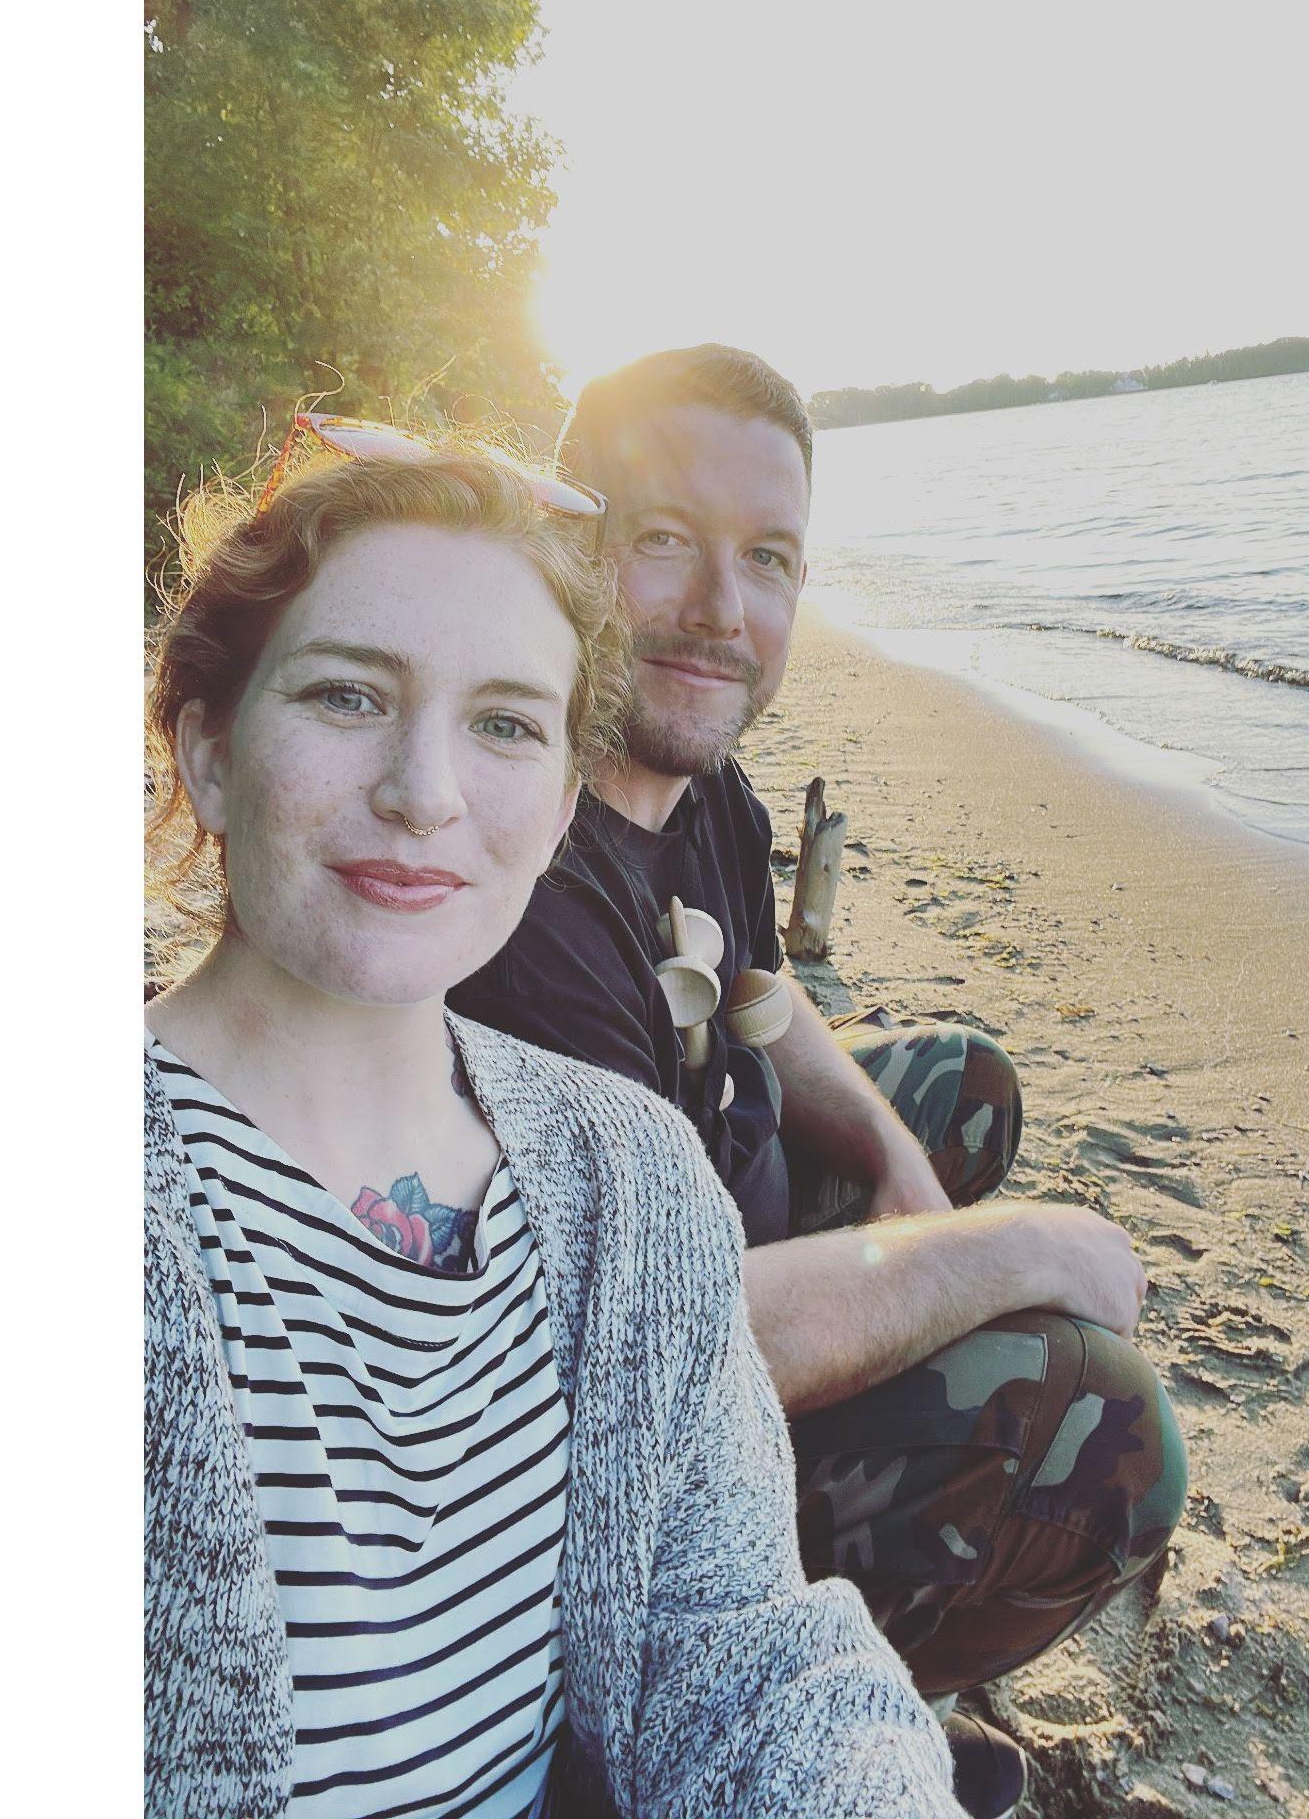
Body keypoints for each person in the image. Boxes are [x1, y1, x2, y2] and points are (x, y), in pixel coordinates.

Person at [143, 424, 964, 1819]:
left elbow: (746, 1653)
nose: (426, 792)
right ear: (209, 752)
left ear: (567, 797)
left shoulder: (630, 1180)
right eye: (348, 696)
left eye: (507, 724)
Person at [451, 347, 1188, 1817]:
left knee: (960, 1090)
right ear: (572, 540)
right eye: (665, 540)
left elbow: (765, 1009)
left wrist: (912, 1184)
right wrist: (1008, 1246)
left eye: (769, 558)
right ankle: (803, 1709)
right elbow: (653, 1357)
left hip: (703, 1214)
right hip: (613, 1461)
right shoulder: (522, 882)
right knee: (1105, 1427)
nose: (723, 611)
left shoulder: (693, 776)